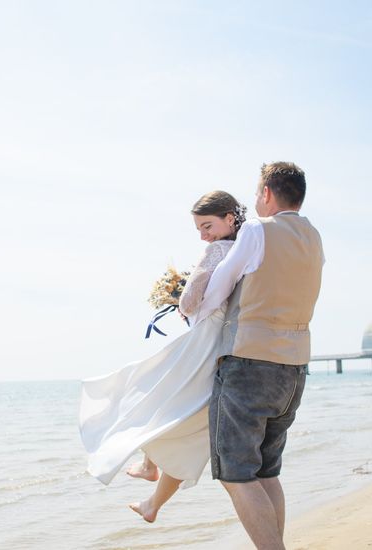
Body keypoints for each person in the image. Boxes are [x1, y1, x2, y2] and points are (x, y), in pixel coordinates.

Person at [78, 190, 248, 523]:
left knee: (148, 389)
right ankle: (152, 499)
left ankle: (148, 468)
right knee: (188, 423)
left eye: (207, 225)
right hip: (226, 346)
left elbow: (189, 302)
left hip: (203, 342)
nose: (203, 235)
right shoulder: (247, 249)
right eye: (199, 229)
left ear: (230, 218)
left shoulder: (216, 250)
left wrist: (182, 298)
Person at [198, 162, 324, 549]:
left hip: (249, 364)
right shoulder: (314, 237)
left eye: (256, 193)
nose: (255, 201)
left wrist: (193, 313)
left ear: (267, 193)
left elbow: (218, 287)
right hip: (294, 368)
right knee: (267, 472)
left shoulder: (257, 230)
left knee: (236, 474)